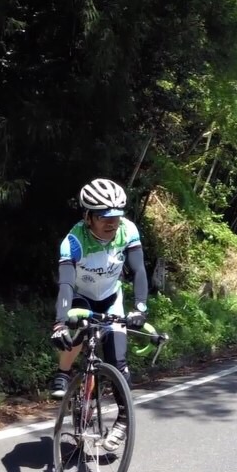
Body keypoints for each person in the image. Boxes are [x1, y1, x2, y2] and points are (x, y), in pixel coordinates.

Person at [50, 178, 149, 451]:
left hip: (111, 298)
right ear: (88, 217)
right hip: (81, 297)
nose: (112, 222)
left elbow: (139, 270)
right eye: (104, 216)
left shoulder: (128, 231)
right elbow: (66, 284)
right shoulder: (73, 241)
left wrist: (140, 308)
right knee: (76, 331)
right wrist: (60, 323)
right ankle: (63, 373)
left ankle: (124, 420)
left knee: (118, 361)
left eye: (117, 215)